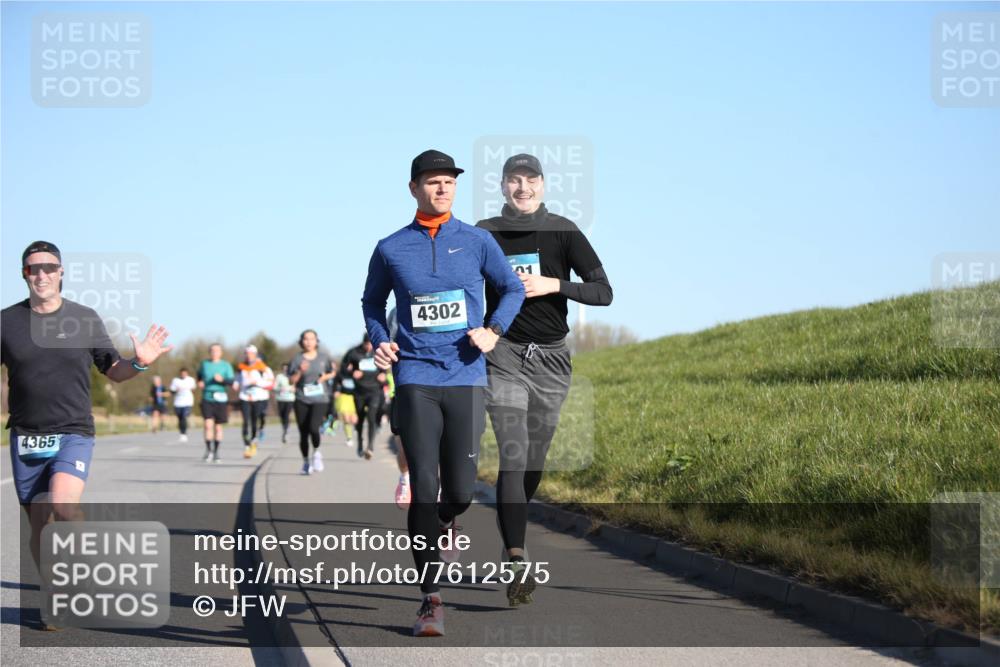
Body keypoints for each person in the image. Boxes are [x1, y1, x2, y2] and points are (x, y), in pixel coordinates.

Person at [363, 149, 524, 636]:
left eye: (449, 182)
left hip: (466, 375)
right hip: (415, 375)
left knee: (460, 491)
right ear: (414, 188)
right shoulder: (391, 248)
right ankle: (430, 600)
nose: (442, 188)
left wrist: (494, 330)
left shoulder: (476, 241)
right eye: (433, 182)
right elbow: (372, 302)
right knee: (424, 487)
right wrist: (380, 339)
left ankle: (448, 520)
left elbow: (512, 289)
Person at [1, 241, 173, 628]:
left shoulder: (84, 318)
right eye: (32, 268)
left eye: (48, 267)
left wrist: (139, 363)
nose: (41, 274)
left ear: (61, 272)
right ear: (24, 274)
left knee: (63, 507)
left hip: (73, 431)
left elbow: (113, 369)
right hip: (26, 434)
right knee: (40, 525)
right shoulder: (6, 322)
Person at [477, 153, 613, 606]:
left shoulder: (564, 231)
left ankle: (511, 531)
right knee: (514, 453)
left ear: (542, 184)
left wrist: (555, 285)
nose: (523, 187)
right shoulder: (486, 232)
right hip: (504, 354)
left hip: (552, 360)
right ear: (502, 186)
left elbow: (604, 292)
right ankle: (517, 559)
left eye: (530, 179)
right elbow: (460, 285)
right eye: (514, 180)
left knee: (534, 459)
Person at [288, 329, 336, 475]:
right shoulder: (297, 359)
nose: (309, 342)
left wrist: (324, 377)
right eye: (306, 339)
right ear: (301, 342)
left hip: (320, 398)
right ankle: (305, 462)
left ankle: (316, 453)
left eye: (311, 339)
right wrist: (299, 371)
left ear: (316, 341)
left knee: (314, 429)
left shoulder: (323, 357)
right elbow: (291, 381)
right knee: (303, 433)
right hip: (302, 398)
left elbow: (332, 372)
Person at [341, 333, 387, 460]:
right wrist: (352, 372)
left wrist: (383, 374)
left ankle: (370, 447)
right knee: (360, 419)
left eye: (371, 344)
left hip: (375, 390)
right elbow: (342, 369)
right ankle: (360, 442)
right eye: (367, 344)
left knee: (371, 417)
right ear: (363, 343)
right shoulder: (353, 353)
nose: (369, 347)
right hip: (359, 391)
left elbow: (386, 365)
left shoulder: (379, 351)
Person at [197, 343, 237, 463]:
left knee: (218, 427)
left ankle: (216, 452)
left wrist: (222, 380)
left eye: (217, 351)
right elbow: (199, 376)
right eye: (212, 351)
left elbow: (231, 381)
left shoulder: (226, 365)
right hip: (207, 396)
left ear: (221, 352)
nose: (215, 353)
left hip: (221, 397)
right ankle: (208, 450)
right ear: (209, 352)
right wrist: (200, 382)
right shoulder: (204, 364)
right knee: (207, 424)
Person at [236, 344, 274, 458]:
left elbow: (271, 384)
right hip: (245, 397)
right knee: (245, 421)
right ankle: (246, 445)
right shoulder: (241, 367)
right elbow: (237, 381)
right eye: (247, 354)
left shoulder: (264, 368)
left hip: (259, 398)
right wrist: (235, 384)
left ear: (255, 355)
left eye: (251, 354)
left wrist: (257, 383)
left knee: (254, 421)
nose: (249, 356)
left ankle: (253, 441)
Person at [169, 367, 196, 442]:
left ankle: (184, 434)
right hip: (178, 402)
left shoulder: (191, 380)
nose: (183, 375)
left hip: (187, 402)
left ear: (187, 373)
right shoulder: (175, 380)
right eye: (182, 374)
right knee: (180, 418)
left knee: (184, 417)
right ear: (180, 374)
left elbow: (193, 389)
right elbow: (172, 391)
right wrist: (176, 390)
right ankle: (181, 432)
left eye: (185, 373)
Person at [273, 362, 296, 444]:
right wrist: (280, 389)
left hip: (290, 399)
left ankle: (286, 430)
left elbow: (297, 386)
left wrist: (293, 389)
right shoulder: (279, 377)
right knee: (282, 415)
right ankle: (285, 428)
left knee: (286, 414)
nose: (285, 370)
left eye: (287, 369)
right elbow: (274, 387)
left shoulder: (293, 376)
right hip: (280, 398)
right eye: (284, 369)